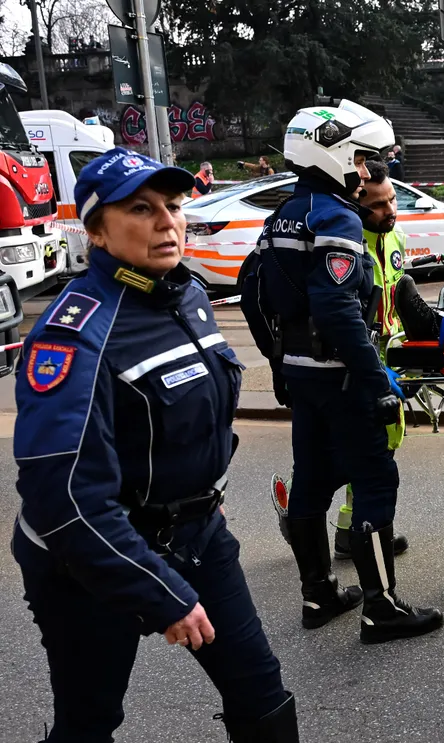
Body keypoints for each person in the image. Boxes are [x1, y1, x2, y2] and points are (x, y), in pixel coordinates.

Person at [11, 147, 297, 741]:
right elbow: (62, 498)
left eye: (172, 205)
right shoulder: (73, 335)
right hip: (85, 563)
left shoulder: (184, 293)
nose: (167, 221)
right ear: (95, 229)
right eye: (141, 209)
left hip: (195, 536)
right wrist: (160, 593)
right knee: (89, 721)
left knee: (261, 695)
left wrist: (201, 496)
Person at [240, 99, 442, 645]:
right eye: (361, 159)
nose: (366, 170)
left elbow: (252, 292)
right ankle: (381, 609)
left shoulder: (283, 213)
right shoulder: (336, 217)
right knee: (375, 480)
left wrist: (280, 363)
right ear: (332, 156)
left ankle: (318, 594)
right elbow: (337, 309)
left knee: (310, 481)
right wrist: (376, 378)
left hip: (304, 376)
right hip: (342, 376)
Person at [269, 159, 413, 560]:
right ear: (357, 199)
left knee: (380, 444)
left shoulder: (394, 236)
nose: (390, 211)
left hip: (383, 351)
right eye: (379, 205)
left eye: (393, 200)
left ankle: (349, 535)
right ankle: (356, 541)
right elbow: (335, 307)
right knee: (361, 462)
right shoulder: (341, 233)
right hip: (351, 360)